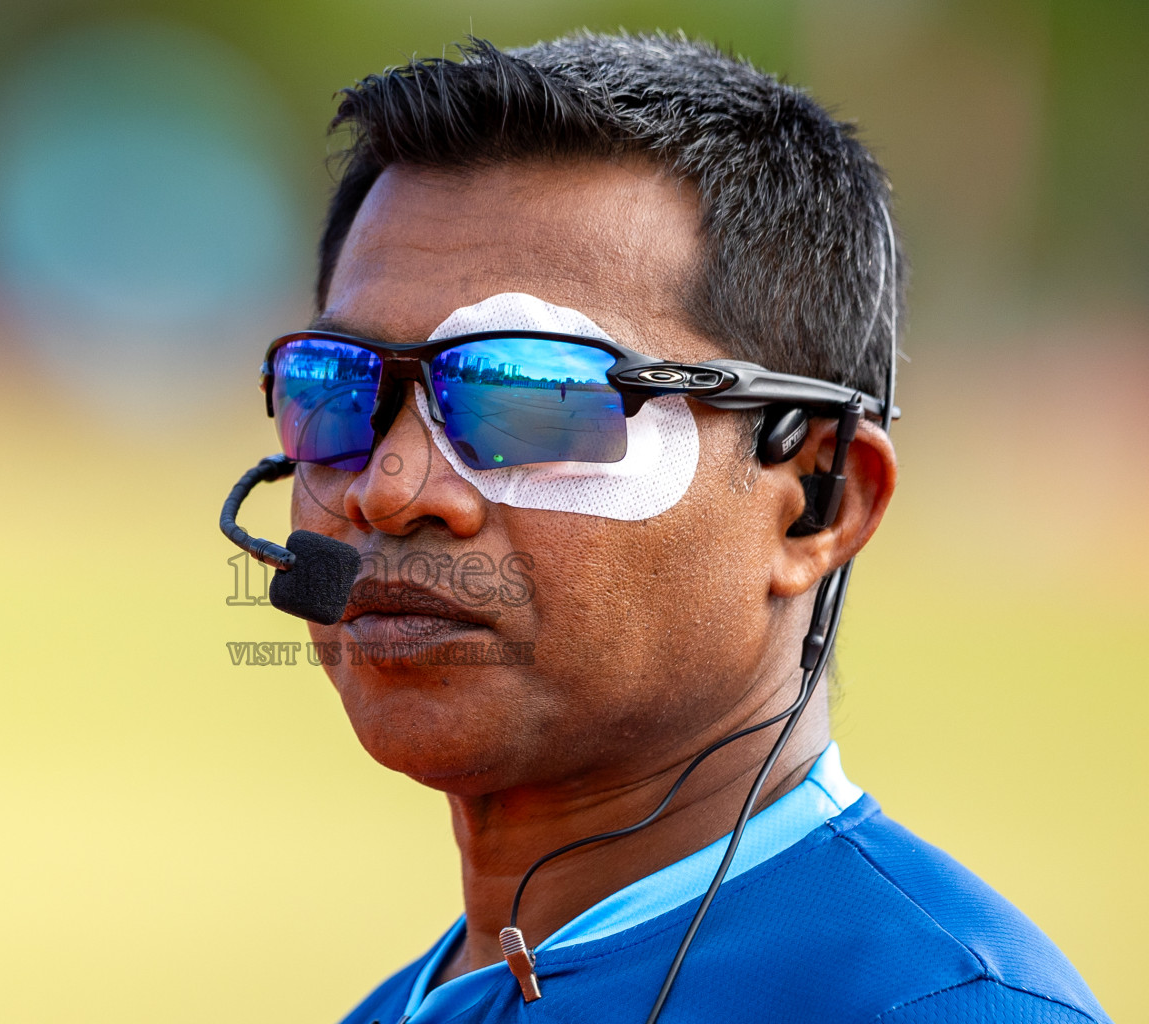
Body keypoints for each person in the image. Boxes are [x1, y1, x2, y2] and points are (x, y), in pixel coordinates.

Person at [268, 31, 1110, 1023]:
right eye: (337, 388)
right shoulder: (407, 1007)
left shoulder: (940, 1006)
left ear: (818, 504)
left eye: (531, 395)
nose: (392, 488)